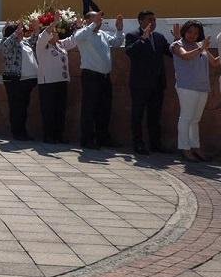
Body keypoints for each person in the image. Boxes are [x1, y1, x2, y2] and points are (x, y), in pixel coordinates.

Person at [71, 12, 125, 149]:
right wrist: (93, 23)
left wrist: (119, 30)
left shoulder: (103, 34)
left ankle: (103, 137)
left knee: (105, 108)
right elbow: (77, 38)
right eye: (95, 18)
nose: (99, 21)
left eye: (100, 19)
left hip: (105, 77)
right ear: (88, 20)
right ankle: (87, 139)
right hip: (91, 76)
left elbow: (117, 42)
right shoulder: (83, 33)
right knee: (89, 108)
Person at [124, 11, 172, 155]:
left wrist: (178, 40)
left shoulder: (159, 37)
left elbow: (170, 52)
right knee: (138, 115)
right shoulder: (132, 35)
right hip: (140, 84)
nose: (153, 22)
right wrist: (143, 39)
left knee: (155, 115)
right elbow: (130, 52)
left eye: (154, 20)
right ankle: (138, 144)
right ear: (141, 21)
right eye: (150, 20)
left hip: (157, 83)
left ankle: (155, 144)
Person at [171, 22, 217, 163]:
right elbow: (185, 56)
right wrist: (201, 48)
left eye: (196, 33)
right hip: (186, 86)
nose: (192, 35)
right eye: (190, 32)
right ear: (184, 31)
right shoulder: (177, 45)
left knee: (195, 119)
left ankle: (195, 147)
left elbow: (214, 63)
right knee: (186, 117)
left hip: (202, 87)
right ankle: (185, 149)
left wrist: (203, 48)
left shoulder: (200, 45)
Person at [36, 19, 79, 143]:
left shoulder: (60, 45)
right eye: (53, 32)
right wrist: (53, 24)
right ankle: (48, 136)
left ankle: (59, 135)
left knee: (60, 109)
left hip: (61, 81)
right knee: (49, 110)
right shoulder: (41, 46)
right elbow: (43, 36)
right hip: (48, 83)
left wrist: (78, 27)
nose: (56, 34)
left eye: (56, 32)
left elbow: (73, 40)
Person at [0, 20, 39, 140]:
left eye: (21, 32)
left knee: (23, 107)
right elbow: (5, 47)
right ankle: (17, 132)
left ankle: (23, 132)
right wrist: (15, 33)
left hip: (26, 81)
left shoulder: (24, 42)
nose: (22, 33)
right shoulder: (8, 42)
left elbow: (33, 40)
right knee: (16, 107)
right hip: (14, 79)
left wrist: (36, 29)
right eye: (19, 32)